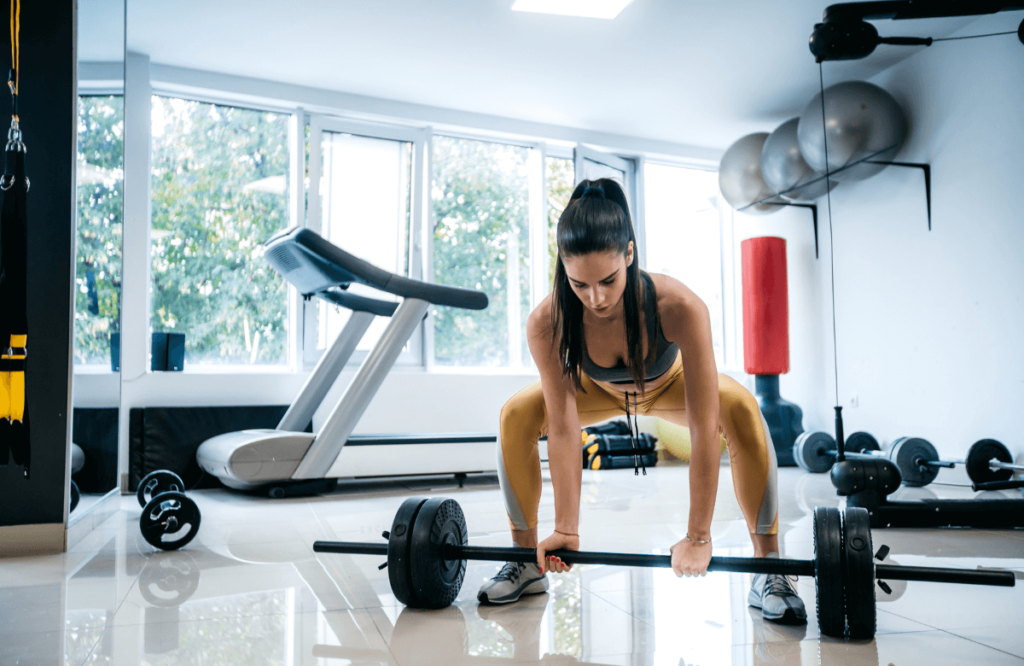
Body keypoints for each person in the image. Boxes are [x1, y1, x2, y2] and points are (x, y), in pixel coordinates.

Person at [477, 179, 806, 624]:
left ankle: (769, 567)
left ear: (629, 254)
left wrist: (698, 536)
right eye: (580, 284)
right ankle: (524, 562)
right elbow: (562, 425)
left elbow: (705, 428)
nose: (595, 298)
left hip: (673, 387)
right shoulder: (547, 321)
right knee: (516, 413)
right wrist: (566, 529)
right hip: (599, 392)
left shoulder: (678, 305)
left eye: (608, 280)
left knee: (743, 408)